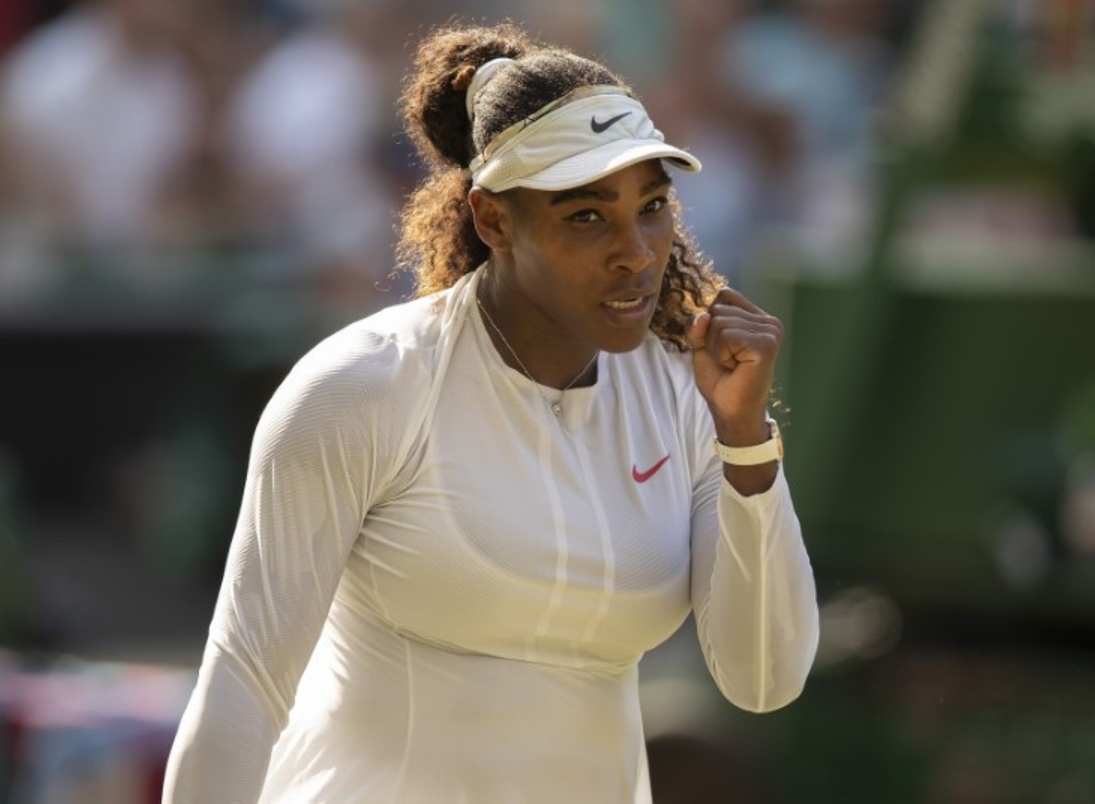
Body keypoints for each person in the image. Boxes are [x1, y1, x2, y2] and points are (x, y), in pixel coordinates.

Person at [162, 22, 819, 804]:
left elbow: (764, 678)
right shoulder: (361, 386)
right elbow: (244, 682)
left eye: (652, 207)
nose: (638, 252)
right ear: (493, 220)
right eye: (586, 216)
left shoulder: (688, 393)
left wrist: (745, 442)